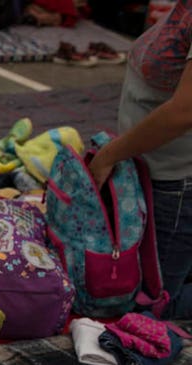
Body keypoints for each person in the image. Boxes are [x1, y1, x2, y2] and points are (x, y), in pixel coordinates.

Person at [88, 0, 192, 320]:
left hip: (176, 183)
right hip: (155, 173)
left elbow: (183, 111)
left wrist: (111, 154)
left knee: (155, 305)